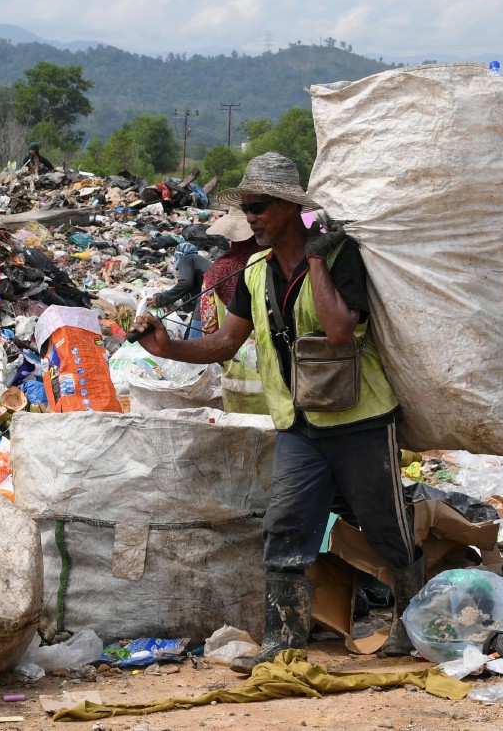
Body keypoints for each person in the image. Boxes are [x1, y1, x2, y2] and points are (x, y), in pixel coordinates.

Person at [131, 152, 424, 671]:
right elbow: (224, 342)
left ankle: (412, 625)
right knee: (285, 528)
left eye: (260, 207)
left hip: (361, 419)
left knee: (386, 529)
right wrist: (167, 348)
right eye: (247, 208)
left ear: (291, 207)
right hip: (298, 424)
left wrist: (315, 259)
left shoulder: (340, 257)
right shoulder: (253, 272)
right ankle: (283, 640)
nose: (252, 218)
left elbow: (339, 330)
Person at [199, 211, 269, 414]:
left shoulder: (214, 274)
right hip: (280, 387)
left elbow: (209, 331)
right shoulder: (272, 267)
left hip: (236, 387)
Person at [146, 241, 211, 340]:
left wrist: (160, 299)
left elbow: (185, 283)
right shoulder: (199, 261)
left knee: (195, 340)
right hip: (215, 297)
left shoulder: (186, 258)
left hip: (208, 299)